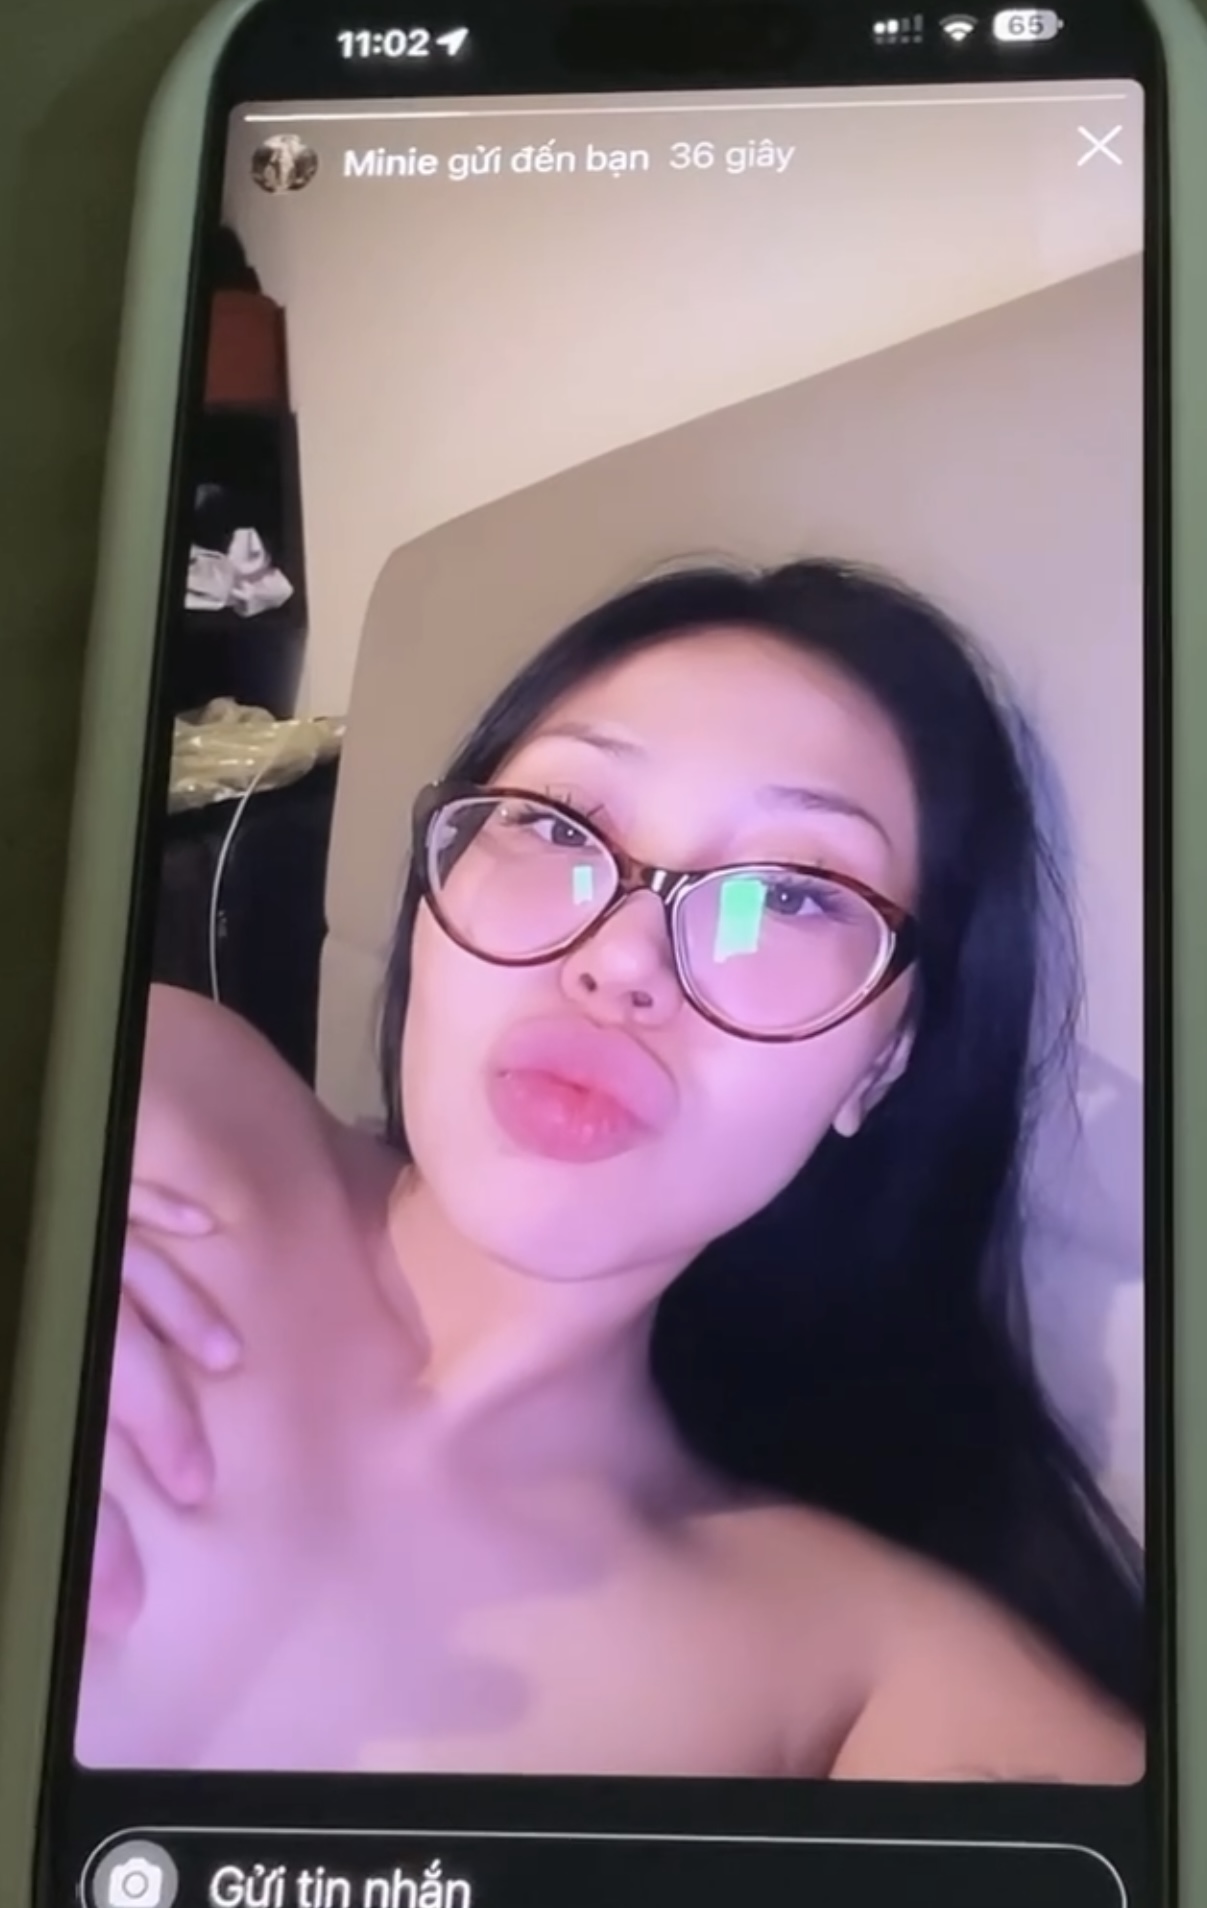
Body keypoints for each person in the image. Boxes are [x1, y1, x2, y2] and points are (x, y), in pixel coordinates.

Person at [83, 559, 1145, 1780]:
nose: (622, 960)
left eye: (788, 896)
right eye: (552, 824)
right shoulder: (154, 1080)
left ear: (882, 1061)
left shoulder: (855, 1661)